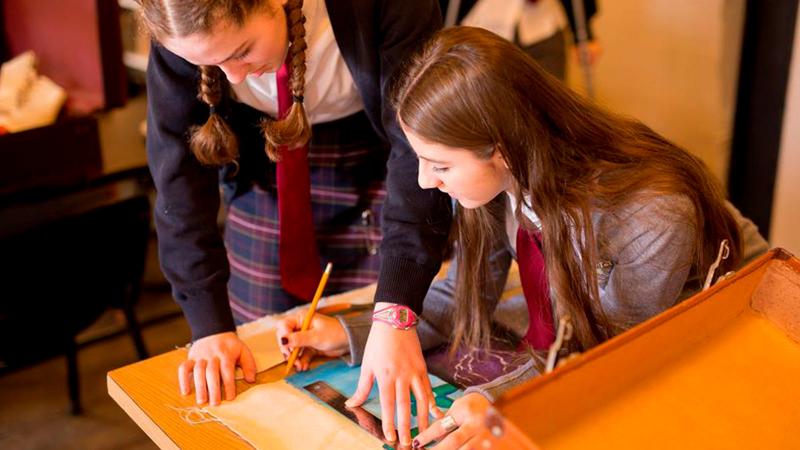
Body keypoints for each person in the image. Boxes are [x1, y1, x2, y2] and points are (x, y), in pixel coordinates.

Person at [276, 26, 769, 449]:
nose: (425, 182)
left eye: (441, 164)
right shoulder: (495, 184)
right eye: (421, 159)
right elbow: (464, 296)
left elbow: (608, 357)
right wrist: (351, 332)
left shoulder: (650, 213)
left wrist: (495, 401)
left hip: (731, 344)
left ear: (504, 149)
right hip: (591, 337)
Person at [138, 0, 453, 439]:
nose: (233, 77)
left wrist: (395, 310)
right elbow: (178, 177)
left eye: (243, 50)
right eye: (211, 63)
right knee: (266, 370)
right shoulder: (176, 20)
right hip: (260, 165)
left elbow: (415, 143)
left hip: (379, 164)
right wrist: (209, 325)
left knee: (385, 349)